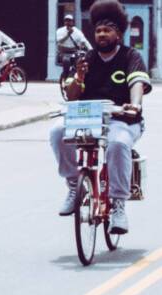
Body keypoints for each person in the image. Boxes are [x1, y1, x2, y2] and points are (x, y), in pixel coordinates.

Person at [51, 0, 151, 235]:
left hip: (122, 119)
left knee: (117, 144)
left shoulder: (130, 56)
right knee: (56, 131)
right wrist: (79, 76)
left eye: (107, 30)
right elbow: (71, 95)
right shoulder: (86, 58)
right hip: (88, 118)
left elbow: (137, 82)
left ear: (118, 33)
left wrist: (135, 105)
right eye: (98, 30)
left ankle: (118, 205)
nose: (102, 34)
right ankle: (75, 185)